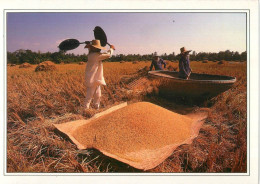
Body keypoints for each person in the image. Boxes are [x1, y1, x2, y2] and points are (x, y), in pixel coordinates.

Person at [84, 40, 115, 110]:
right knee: (89, 97)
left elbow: (92, 51)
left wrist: (89, 44)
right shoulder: (95, 55)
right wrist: (111, 48)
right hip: (92, 79)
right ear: (94, 48)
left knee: (98, 96)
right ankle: (85, 111)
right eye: (97, 48)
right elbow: (108, 55)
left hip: (96, 79)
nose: (99, 49)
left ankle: (96, 110)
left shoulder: (92, 54)